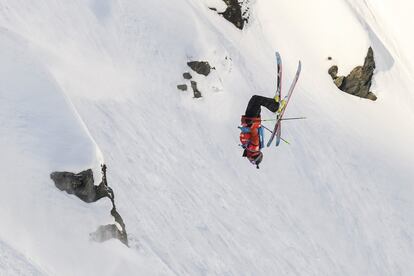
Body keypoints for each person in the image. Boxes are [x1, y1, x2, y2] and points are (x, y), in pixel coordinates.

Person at [239, 95, 285, 168]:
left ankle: (273, 103)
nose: (249, 160)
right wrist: (249, 124)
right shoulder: (254, 147)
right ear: (255, 157)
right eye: (252, 161)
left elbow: (249, 133)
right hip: (252, 119)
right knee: (256, 99)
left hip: (250, 119)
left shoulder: (250, 148)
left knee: (256, 100)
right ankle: (276, 107)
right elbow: (254, 132)